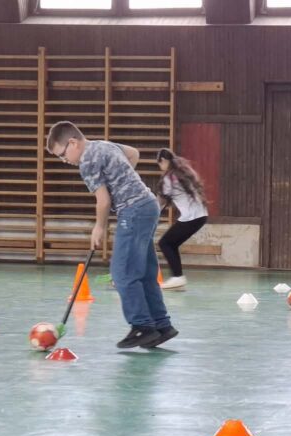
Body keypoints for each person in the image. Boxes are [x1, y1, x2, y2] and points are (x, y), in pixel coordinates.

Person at [46, 121, 177, 348]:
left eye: (62, 154)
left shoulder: (87, 161)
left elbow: (104, 201)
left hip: (134, 211)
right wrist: (121, 179)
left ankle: (143, 326)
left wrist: (99, 227)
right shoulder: (103, 145)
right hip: (148, 205)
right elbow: (133, 154)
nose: (64, 160)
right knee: (146, 272)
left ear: (73, 143)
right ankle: (162, 325)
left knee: (122, 273)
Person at [156, 148, 209, 290]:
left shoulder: (169, 178)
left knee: (165, 243)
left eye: (159, 164)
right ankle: (177, 278)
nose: (160, 167)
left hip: (192, 217)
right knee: (171, 244)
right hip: (201, 215)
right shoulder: (183, 172)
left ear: (163, 161)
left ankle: (178, 277)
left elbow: (160, 202)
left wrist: (151, 215)